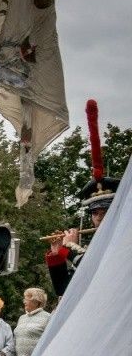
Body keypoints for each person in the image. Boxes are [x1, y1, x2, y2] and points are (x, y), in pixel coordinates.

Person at [45, 100, 121, 298]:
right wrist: (57, 253)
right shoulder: (93, 244)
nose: (99, 217)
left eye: (105, 211)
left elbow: (99, 268)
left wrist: (69, 246)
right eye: (95, 212)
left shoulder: (122, 239)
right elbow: (65, 288)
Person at [13, 288, 51, 356]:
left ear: (36, 301)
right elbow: (15, 339)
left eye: (26, 299)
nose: (24, 301)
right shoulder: (22, 318)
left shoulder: (47, 317)